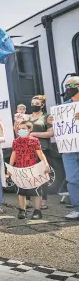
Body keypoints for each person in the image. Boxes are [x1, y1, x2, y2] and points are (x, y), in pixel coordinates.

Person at [8, 121, 50, 219]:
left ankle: (37, 211)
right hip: (20, 170)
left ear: (30, 129)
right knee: (21, 192)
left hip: (33, 169)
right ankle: (22, 210)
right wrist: (10, 168)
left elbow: (40, 154)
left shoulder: (34, 141)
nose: (21, 130)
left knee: (36, 191)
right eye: (19, 129)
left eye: (24, 128)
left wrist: (46, 164)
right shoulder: (16, 142)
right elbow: (13, 155)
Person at [24, 95, 54, 209]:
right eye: (33, 103)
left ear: (42, 105)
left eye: (37, 104)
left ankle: (43, 200)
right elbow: (20, 132)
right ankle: (27, 200)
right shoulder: (27, 117)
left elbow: (51, 133)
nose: (34, 106)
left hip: (42, 149)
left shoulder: (47, 117)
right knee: (28, 175)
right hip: (27, 150)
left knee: (42, 175)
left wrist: (34, 134)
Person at [60, 76, 79, 220]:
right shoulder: (63, 107)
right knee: (72, 179)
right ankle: (77, 209)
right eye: (66, 86)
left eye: (70, 85)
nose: (67, 89)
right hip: (69, 149)